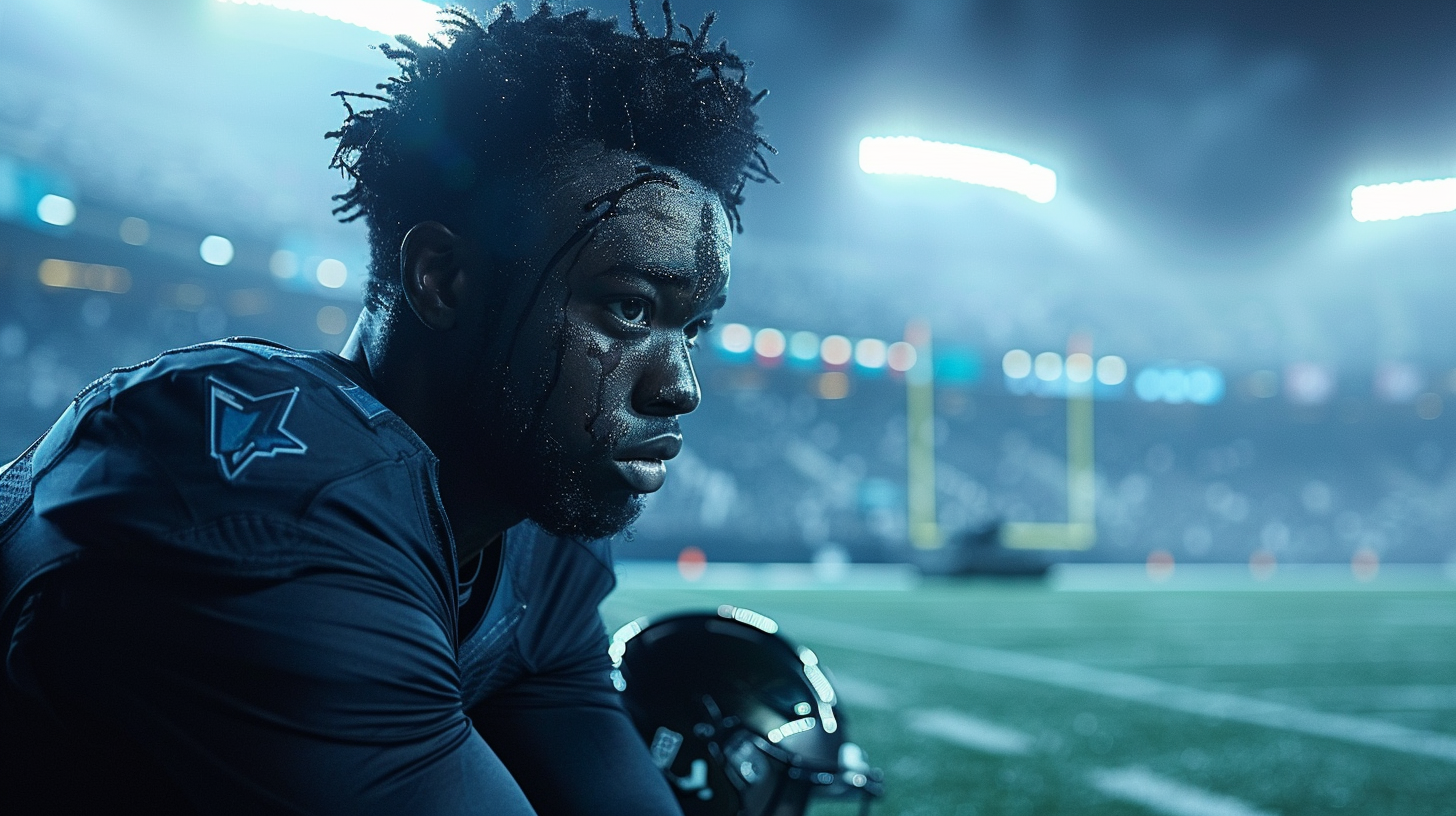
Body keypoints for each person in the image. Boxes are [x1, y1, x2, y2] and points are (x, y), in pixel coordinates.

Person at [0, 3, 772, 813]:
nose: (680, 386)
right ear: (442, 278)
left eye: (695, 327)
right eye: (628, 309)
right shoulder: (274, 498)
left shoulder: (536, 534)